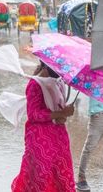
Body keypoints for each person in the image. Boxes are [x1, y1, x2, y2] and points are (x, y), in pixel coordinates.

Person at [12, 61, 75, 192]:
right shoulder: (35, 84)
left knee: (61, 172)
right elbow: (33, 114)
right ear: (46, 65)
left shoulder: (58, 83)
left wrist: (63, 114)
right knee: (40, 175)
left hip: (59, 136)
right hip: (40, 139)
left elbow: (57, 109)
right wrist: (60, 113)